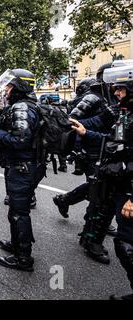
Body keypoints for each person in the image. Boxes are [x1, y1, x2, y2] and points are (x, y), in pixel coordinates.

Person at [70, 63, 133, 300]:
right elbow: (112, 138)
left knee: (126, 244)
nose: (115, 93)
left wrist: (131, 198)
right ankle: (91, 238)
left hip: (126, 185)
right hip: (113, 174)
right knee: (101, 207)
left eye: (120, 89)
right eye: (114, 89)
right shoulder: (122, 111)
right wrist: (85, 133)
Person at [0, 69, 46, 272]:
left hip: (22, 168)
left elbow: (19, 141)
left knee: (19, 214)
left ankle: (23, 258)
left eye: (10, 86)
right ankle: (17, 245)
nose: (6, 90)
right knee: (16, 211)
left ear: (19, 87)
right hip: (27, 166)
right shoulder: (28, 104)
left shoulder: (21, 107)